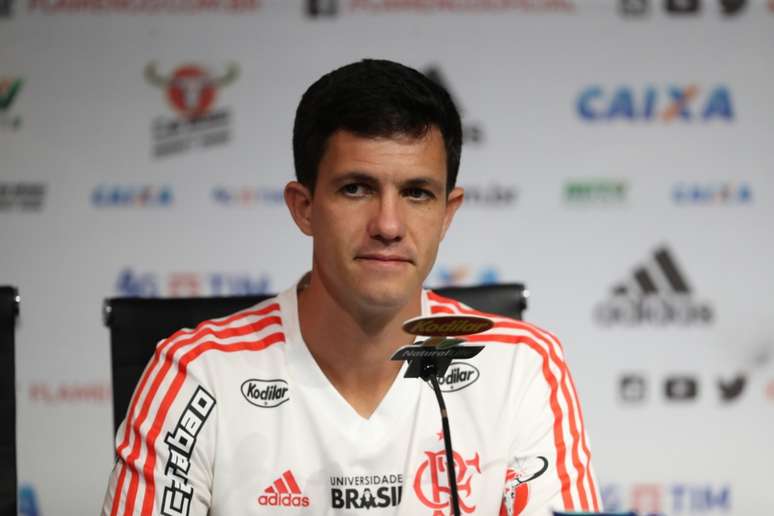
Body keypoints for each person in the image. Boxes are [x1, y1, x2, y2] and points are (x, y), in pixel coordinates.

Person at [102, 58, 600, 516]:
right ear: (304, 207)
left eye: (417, 193)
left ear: (447, 214)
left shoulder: (522, 366)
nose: (388, 224)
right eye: (356, 188)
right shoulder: (196, 374)